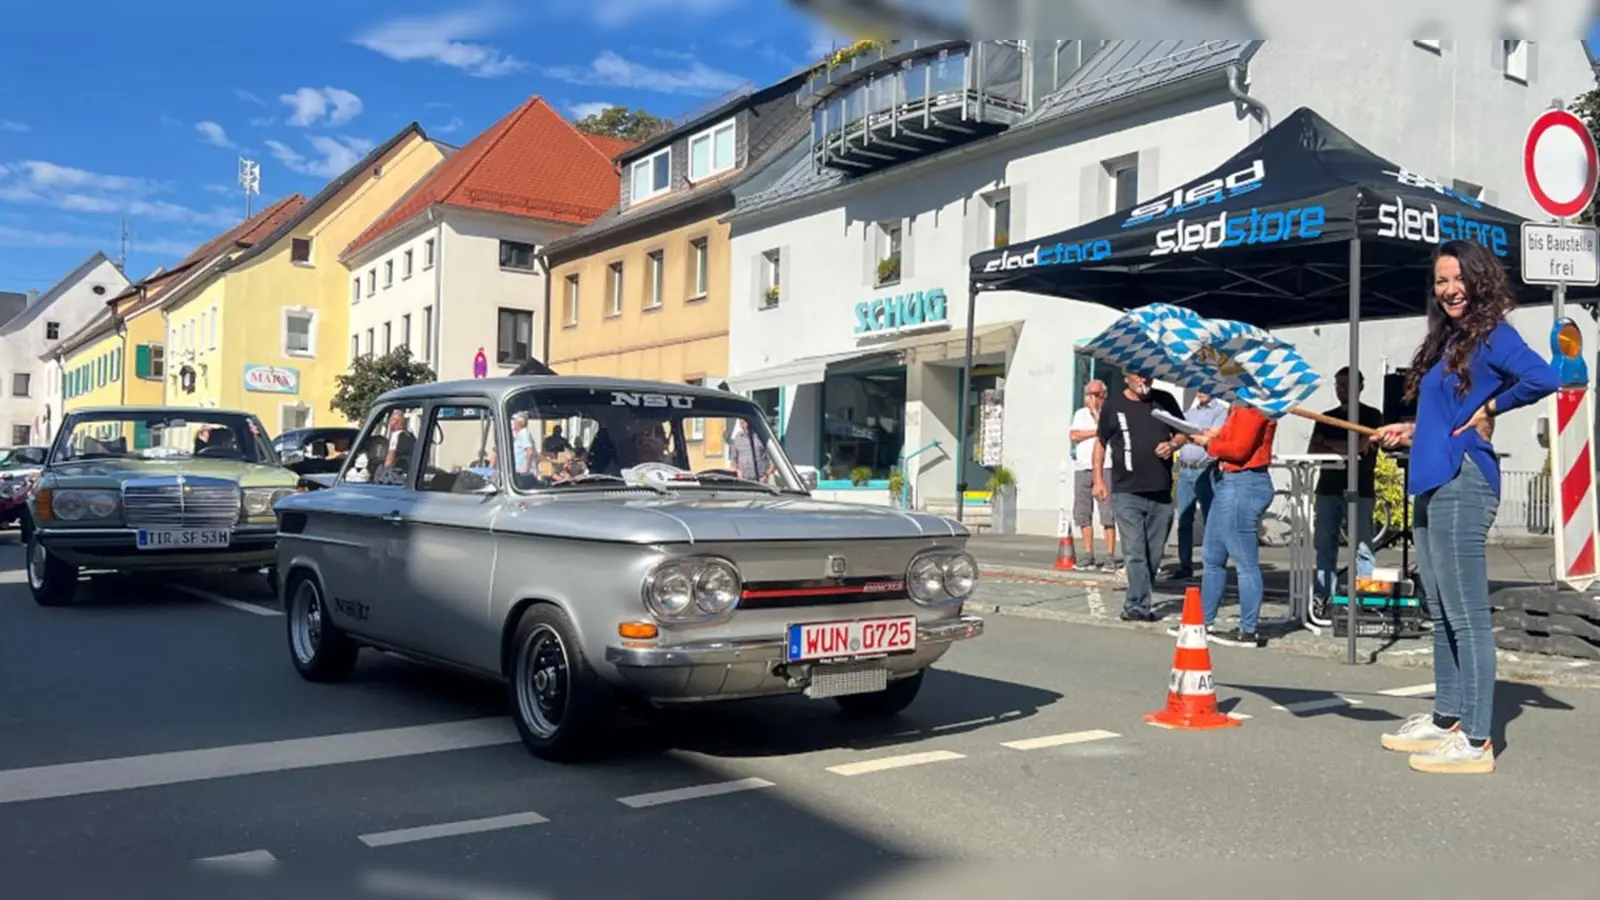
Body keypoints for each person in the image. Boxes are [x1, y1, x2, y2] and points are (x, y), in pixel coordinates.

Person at [1374, 239, 1558, 776]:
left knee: (1467, 615)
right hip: (1433, 477)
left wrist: (1491, 406)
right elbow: (1447, 415)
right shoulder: (1454, 340)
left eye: (1457, 279)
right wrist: (1412, 430)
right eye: (1440, 282)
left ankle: (1476, 740)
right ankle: (1446, 717)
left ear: (1478, 280)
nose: (1450, 290)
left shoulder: (1494, 333)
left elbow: (1545, 376)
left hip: (1464, 479)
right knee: (1441, 610)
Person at [1093, 372, 1191, 622]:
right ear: (1127, 377)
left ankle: (1139, 597)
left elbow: (1183, 432)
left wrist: (1173, 445)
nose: (1144, 382)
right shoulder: (1114, 405)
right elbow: (1101, 442)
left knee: (1153, 553)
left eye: (1148, 377)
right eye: (1139, 377)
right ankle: (1137, 605)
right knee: (1135, 550)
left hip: (1160, 490)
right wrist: (1098, 480)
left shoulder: (1164, 400)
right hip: (1127, 491)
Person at [1190, 403, 1277, 647]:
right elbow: (1234, 437)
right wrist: (1213, 435)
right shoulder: (1241, 406)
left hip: (1244, 482)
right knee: (1213, 555)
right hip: (1231, 481)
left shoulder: (1254, 406)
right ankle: (1204, 621)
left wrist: (1208, 443)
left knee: (1244, 561)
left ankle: (1248, 629)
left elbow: (1239, 450)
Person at [1308, 367, 1387, 605]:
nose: (1341, 390)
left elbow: (1362, 446)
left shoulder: (1372, 416)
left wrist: (1331, 444)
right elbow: (1313, 450)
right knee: (1324, 544)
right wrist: (1344, 446)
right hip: (1328, 488)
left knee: (1362, 545)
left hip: (1360, 489)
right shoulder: (1326, 417)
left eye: (1346, 385)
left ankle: (1365, 599)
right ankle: (1325, 596)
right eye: (1338, 386)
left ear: (1360, 387)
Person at [1171, 391, 1228, 579]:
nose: (1201, 392)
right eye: (1197, 388)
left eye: (1205, 388)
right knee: (1184, 518)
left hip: (1206, 469)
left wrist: (1193, 434)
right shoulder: (1189, 413)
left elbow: (1214, 436)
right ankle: (1185, 564)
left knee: (1211, 519)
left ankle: (1213, 564)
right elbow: (1180, 435)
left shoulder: (1220, 412)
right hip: (1186, 470)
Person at [1069, 380, 1118, 571]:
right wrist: (1093, 431)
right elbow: (1073, 436)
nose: (1093, 398)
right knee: (1083, 512)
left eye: (1097, 394)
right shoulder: (1080, 414)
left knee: (1107, 512)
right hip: (1082, 467)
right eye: (1090, 394)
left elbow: (1106, 432)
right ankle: (1088, 553)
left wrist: (1096, 414)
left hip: (1105, 466)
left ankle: (1110, 555)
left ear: (1104, 396)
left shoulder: (1109, 412)